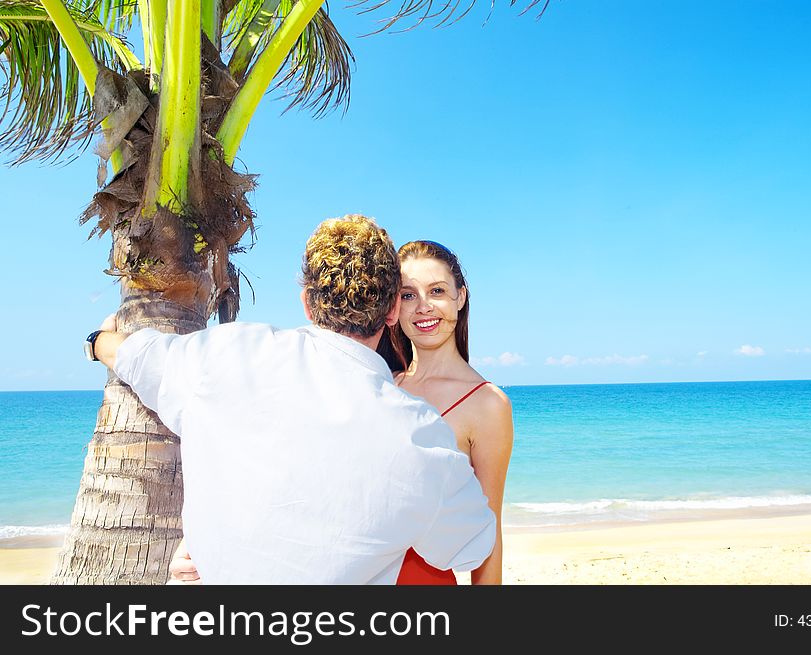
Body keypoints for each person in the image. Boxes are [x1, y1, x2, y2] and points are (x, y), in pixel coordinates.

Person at [86, 215, 496, 584]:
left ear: (306, 303)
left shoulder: (229, 353)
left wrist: (98, 341)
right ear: (392, 310)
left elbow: (134, 355)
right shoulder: (419, 435)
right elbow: (471, 545)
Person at [386, 241, 514, 585]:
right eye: (408, 295)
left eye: (437, 291)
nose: (423, 307)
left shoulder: (487, 404)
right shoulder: (380, 383)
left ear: (460, 296)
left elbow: (489, 530)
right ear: (393, 307)